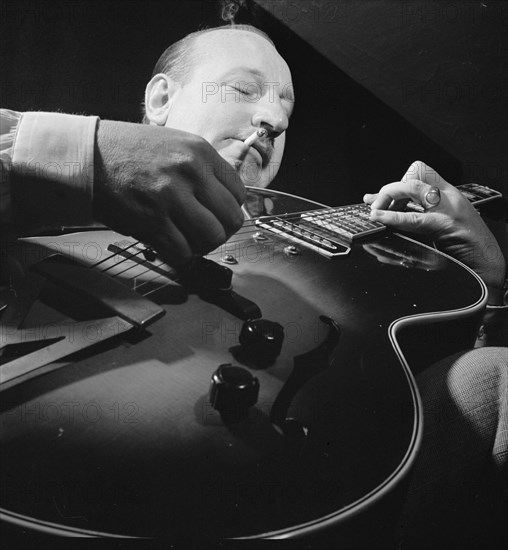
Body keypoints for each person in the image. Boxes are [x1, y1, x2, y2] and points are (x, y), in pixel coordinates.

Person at [1, 23, 507, 547]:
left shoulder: (340, 270)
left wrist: (489, 287)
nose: (275, 118)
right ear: (160, 97)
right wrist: (90, 155)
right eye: (244, 90)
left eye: (285, 108)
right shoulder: (43, 187)